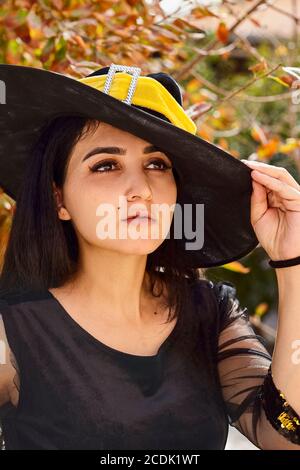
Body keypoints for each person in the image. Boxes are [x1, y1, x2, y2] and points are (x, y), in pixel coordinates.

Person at [0, 63, 300, 450]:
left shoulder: (209, 312)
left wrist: (292, 263)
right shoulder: (12, 329)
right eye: (106, 165)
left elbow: (288, 434)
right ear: (59, 199)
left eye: (157, 164)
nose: (140, 188)